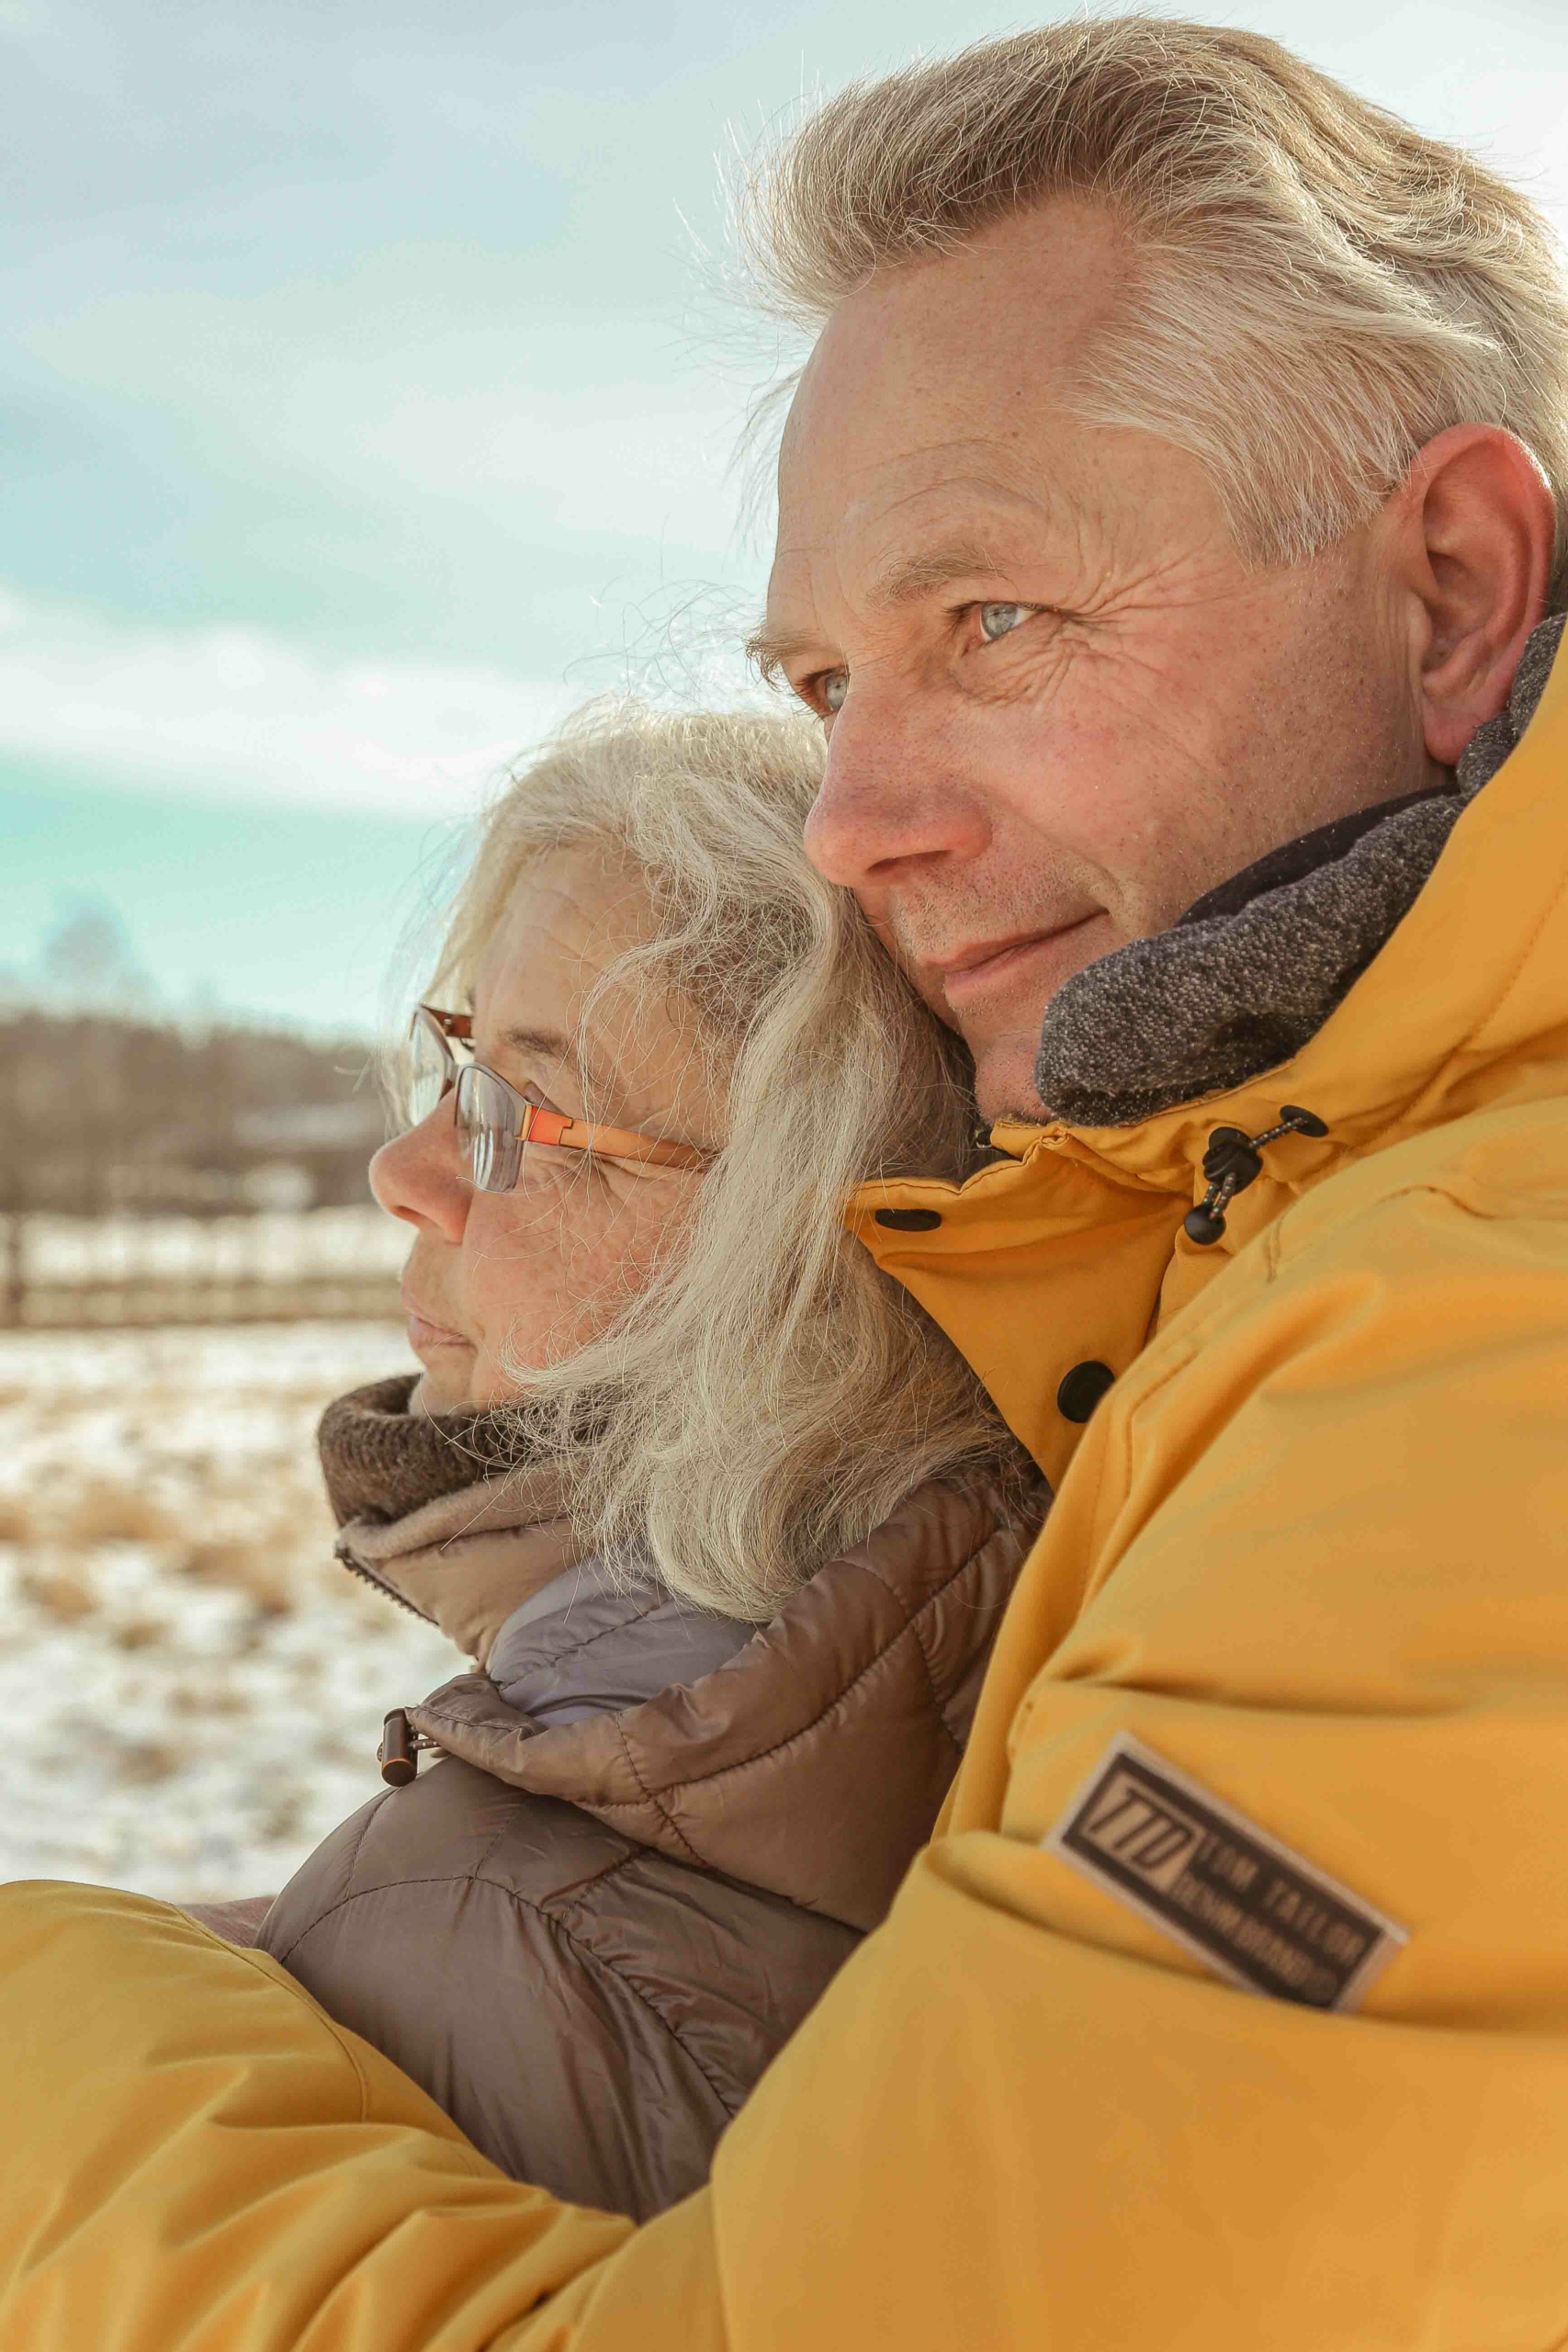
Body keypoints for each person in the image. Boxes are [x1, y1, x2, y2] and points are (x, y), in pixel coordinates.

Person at [4, 17, 1568, 2348]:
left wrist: (53, 2015)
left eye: (991, 624)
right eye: (830, 681)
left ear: (1447, 589)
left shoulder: (1466, 1351)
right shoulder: (1268, 1267)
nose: (854, 820)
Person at [207, 700, 1041, 2220]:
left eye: (522, 1111)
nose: (406, 1171)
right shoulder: (1012, 1675)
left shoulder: (496, 1950)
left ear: (794, 1252)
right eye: (456, 1068)